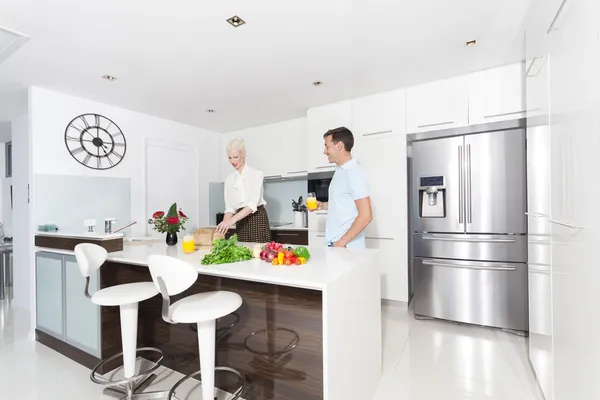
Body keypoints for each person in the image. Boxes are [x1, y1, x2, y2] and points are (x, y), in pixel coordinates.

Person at [310, 127, 373, 248]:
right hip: (336, 244)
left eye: (327, 146)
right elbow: (343, 203)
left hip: (347, 248)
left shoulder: (354, 172)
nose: (324, 151)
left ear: (339, 146)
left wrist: (341, 243)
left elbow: (366, 215)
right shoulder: (340, 171)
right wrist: (322, 205)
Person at [215, 137, 272, 243]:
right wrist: (222, 227)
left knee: (259, 254)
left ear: (244, 154)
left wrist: (231, 221)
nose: (233, 161)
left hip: (257, 219)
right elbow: (230, 208)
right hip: (240, 221)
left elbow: (251, 205)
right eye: (230, 158)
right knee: (243, 254)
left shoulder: (256, 174)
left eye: (235, 157)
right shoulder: (229, 180)